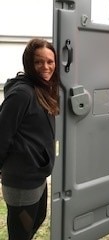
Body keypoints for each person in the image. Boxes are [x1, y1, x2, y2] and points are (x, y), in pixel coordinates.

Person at [0, 38, 60, 239]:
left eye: (50, 61)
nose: (46, 67)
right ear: (28, 63)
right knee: (20, 233)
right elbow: (2, 134)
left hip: (37, 174)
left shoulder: (42, 89)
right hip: (21, 179)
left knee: (38, 218)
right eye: (39, 62)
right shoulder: (21, 94)